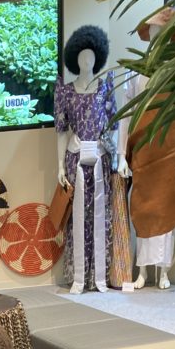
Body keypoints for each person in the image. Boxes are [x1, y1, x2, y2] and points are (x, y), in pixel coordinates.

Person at [116, 10, 175, 290]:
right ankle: (142, 271)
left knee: (168, 207)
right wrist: (121, 154)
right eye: (152, 34)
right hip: (143, 148)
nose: (156, 39)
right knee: (142, 208)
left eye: (160, 34)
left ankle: (163, 271)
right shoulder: (136, 71)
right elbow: (126, 114)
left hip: (173, 148)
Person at [54, 25, 117, 294]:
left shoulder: (105, 87)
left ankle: (99, 275)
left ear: (98, 57)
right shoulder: (65, 91)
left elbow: (114, 124)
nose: (86, 60)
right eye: (81, 56)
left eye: (91, 55)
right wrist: (59, 165)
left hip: (101, 159)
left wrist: (117, 155)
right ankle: (79, 276)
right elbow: (61, 131)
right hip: (75, 159)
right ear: (74, 58)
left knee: (100, 215)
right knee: (76, 217)